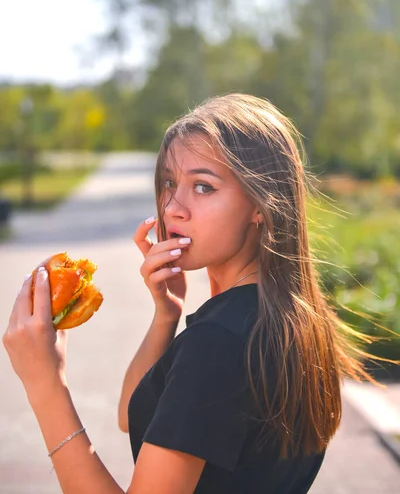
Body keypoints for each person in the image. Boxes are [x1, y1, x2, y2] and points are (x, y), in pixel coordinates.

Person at [2, 93, 376, 493]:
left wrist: (45, 385)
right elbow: (134, 415)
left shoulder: (217, 344)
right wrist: (166, 315)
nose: (173, 208)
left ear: (261, 205)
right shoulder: (291, 319)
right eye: (168, 182)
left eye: (203, 186)